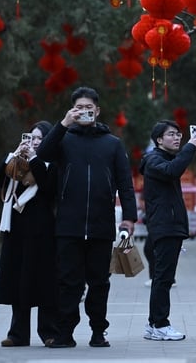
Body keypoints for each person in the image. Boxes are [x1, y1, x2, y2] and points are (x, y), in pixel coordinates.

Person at [36, 86, 138, 348]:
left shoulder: (112, 144)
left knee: (99, 283)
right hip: (68, 225)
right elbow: (43, 154)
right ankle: (65, 333)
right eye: (78, 108)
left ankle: (98, 331)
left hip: (101, 226)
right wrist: (63, 124)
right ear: (72, 110)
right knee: (68, 283)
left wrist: (129, 218)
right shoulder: (64, 140)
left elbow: (125, 185)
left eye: (88, 108)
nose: (84, 111)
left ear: (97, 110)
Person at [0, 120, 59, 347]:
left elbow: (49, 188)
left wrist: (33, 158)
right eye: (32, 137)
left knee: (44, 281)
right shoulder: (16, 161)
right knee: (18, 281)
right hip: (17, 229)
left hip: (43, 230)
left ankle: (49, 332)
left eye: (40, 138)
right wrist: (12, 156)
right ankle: (17, 334)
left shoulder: (51, 163)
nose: (35, 142)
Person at [139, 119, 196, 341]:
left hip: (169, 226)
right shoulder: (154, 160)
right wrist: (190, 147)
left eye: (179, 134)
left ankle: (152, 324)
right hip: (164, 227)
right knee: (164, 278)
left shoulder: (163, 159)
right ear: (159, 140)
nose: (177, 138)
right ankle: (160, 324)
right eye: (171, 134)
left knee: (163, 277)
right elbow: (173, 171)